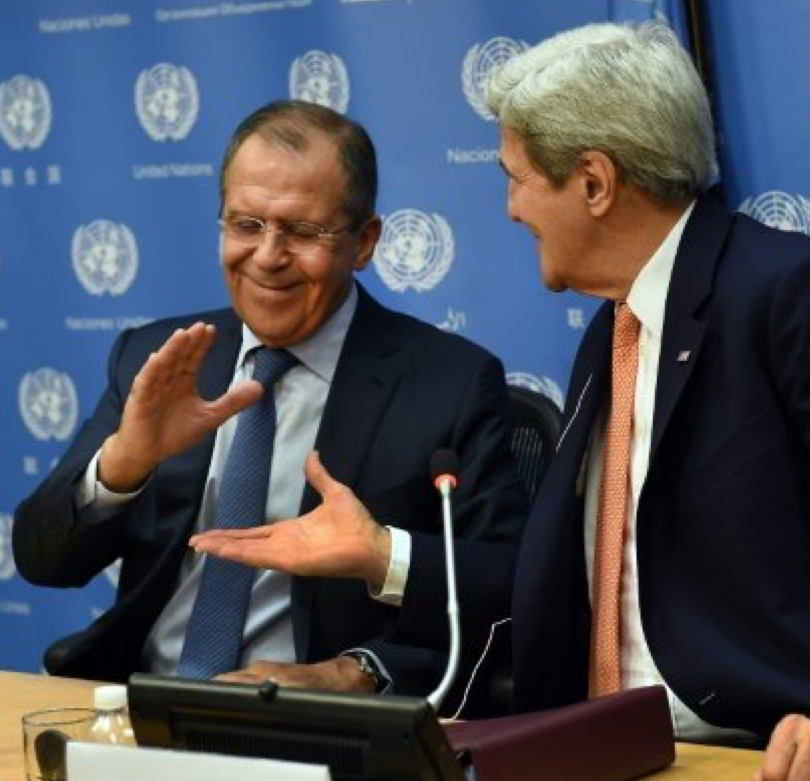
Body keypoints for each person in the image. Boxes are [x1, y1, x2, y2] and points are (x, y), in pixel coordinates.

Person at [482, 20, 810, 781]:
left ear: (595, 182)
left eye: (517, 178)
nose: (509, 209)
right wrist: (385, 560)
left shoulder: (792, 296)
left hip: (761, 764)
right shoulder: (611, 329)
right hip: (591, 762)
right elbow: (562, 578)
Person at [13, 100, 526, 714]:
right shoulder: (160, 358)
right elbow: (42, 560)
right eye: (246, 224)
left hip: (318, 727)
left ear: (364, 242)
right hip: (144, 706)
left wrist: (353, 665)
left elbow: (507, 587)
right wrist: (124, 462)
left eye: (303, 232)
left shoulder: (448, 383)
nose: (267, 256)